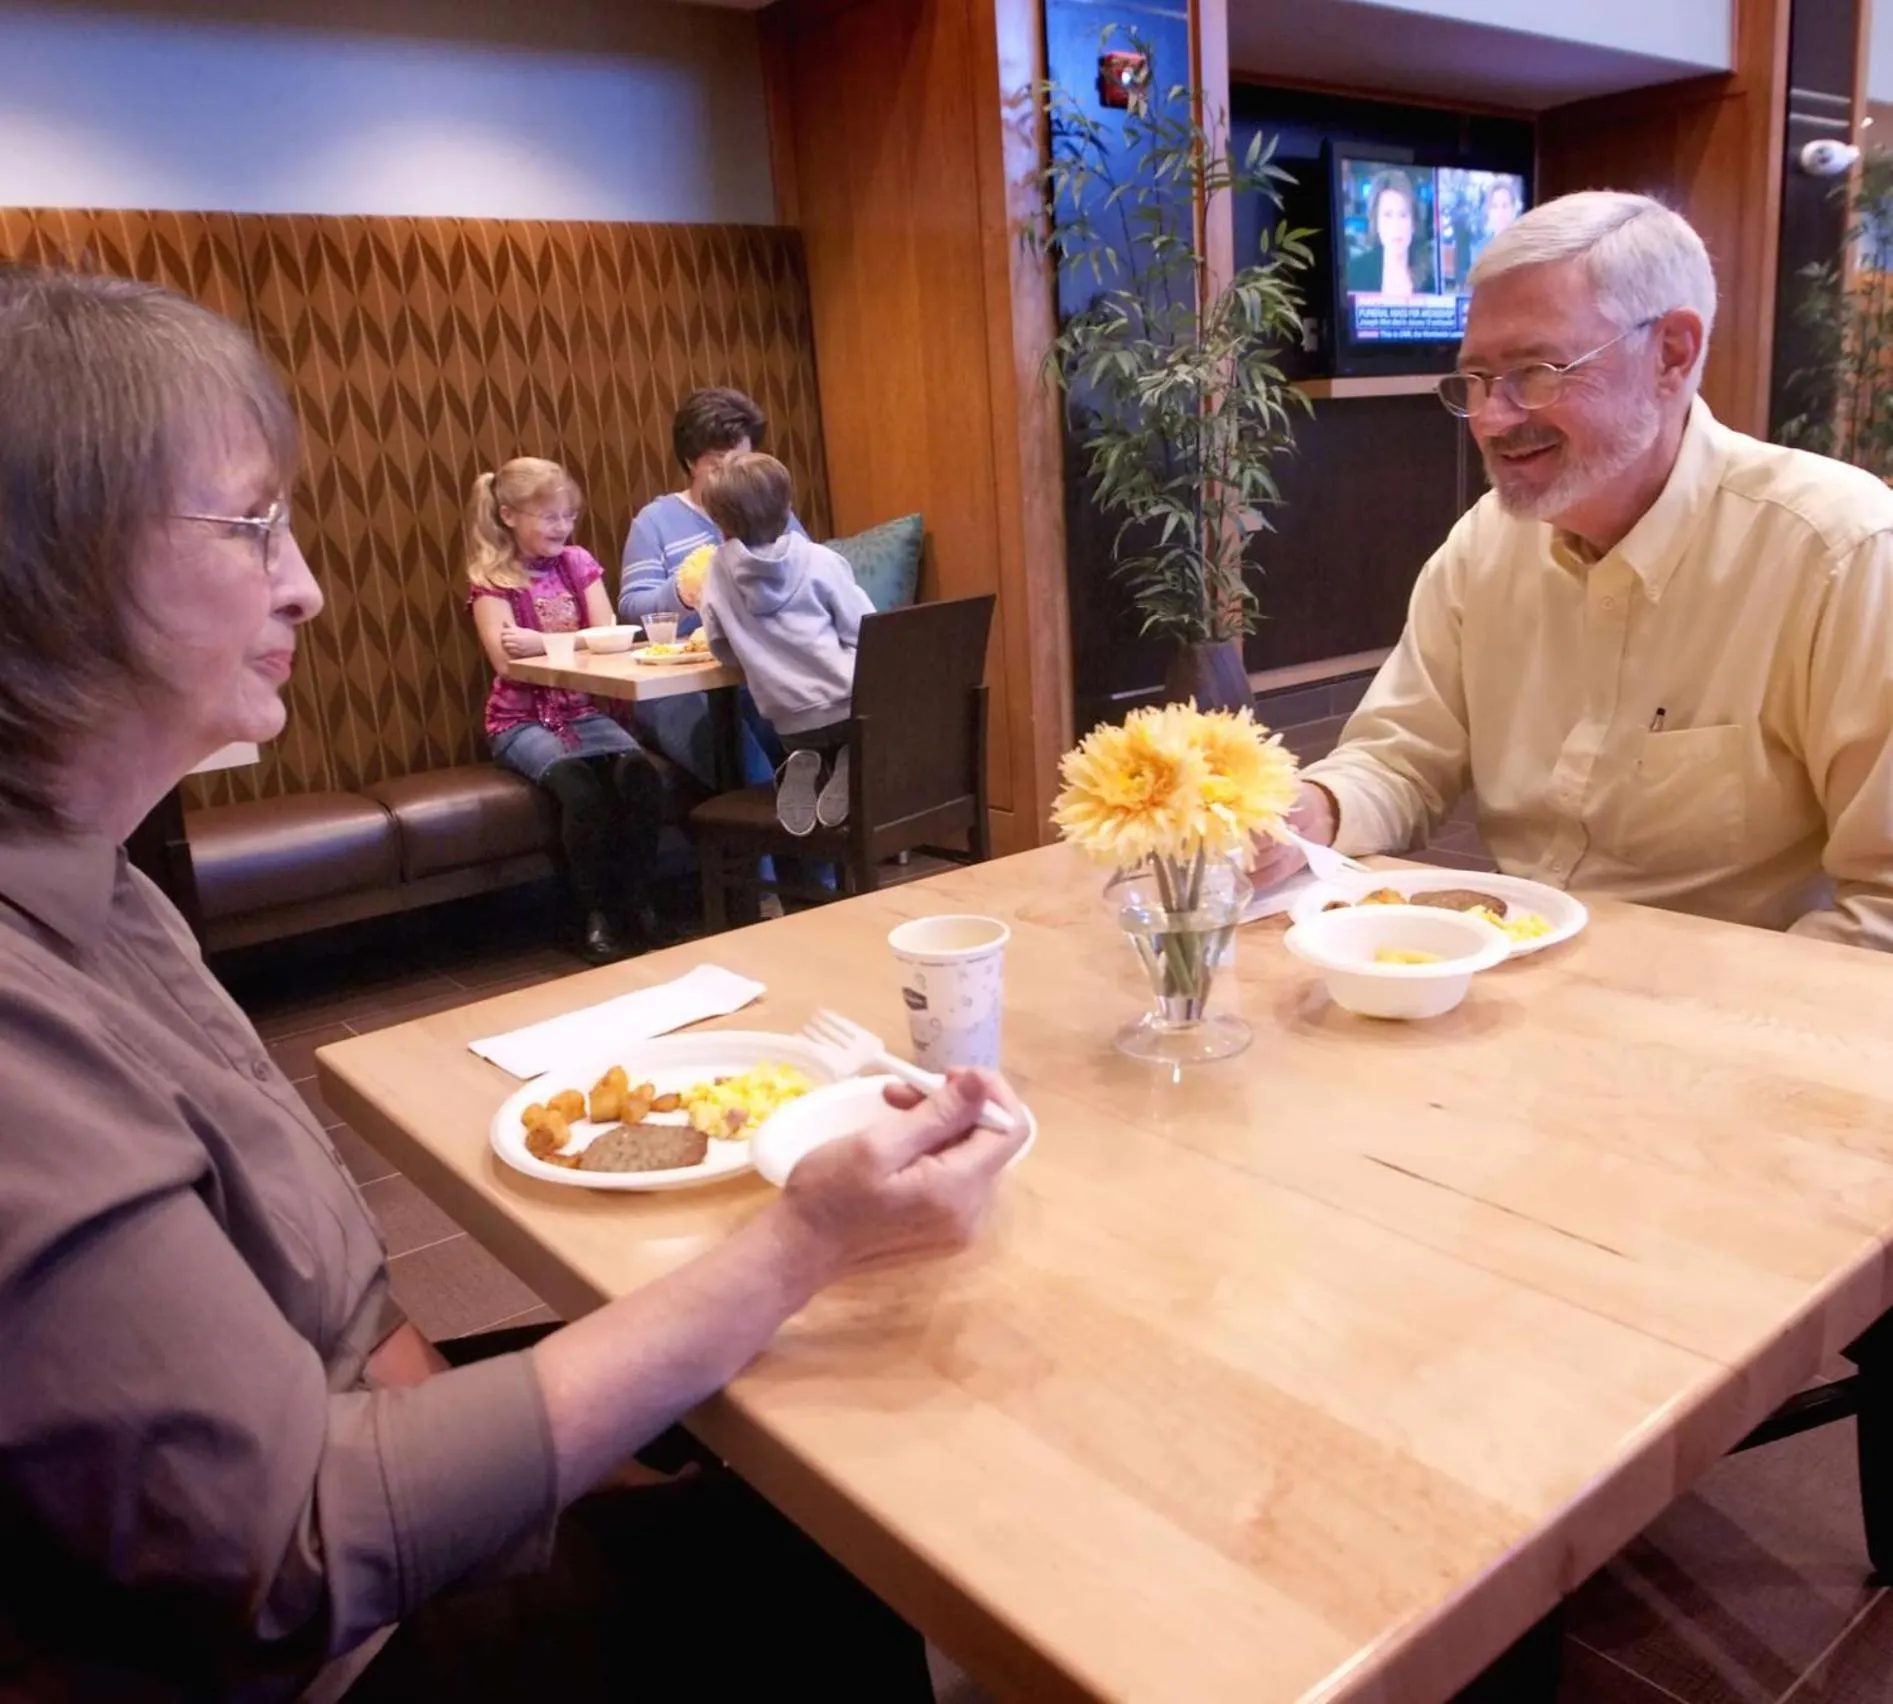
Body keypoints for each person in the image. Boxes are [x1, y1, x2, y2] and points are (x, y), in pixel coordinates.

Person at [0, 266, 1029, 1702]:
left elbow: (344, 1311)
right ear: (44, 564)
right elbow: (297, 1558)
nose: (306, 581)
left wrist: (553, 1477)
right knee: (861, 1552)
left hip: (384, 1519)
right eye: (253, 527)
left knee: (837, 1440)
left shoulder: (108, 891)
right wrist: (802, 1240)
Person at [1250, 191, 1893, 950]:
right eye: (1476, 380)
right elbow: (1401, 756)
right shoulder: (1485, 545)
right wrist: (1307, 813)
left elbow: (1880, 908)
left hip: (1721, 1022)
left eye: (1535, 371)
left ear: (1671, 355)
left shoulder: (1839, 554)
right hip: (1506, 983)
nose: (1491, 418)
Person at [466, 458, 664, 965]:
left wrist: (544, 641)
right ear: (508, 515)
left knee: (640, 775)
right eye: (548, 517)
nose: (562, 528)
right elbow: (505, 660)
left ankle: (639, 906)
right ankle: (593, 916)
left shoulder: (577, 563)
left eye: (568, 516)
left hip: (580, 710)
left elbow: (609, 636)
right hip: (520, 718)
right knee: (579, 787)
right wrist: (558, 644)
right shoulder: (493, 578)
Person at [617, 387, 804, 789]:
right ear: (689, 462)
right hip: (677, 689)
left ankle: (821, 853)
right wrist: (684, 591)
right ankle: (760, 849)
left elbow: (806, 573)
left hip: (754, 671)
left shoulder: (769, 511)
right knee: (749, 771)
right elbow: (632, 610)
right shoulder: (655, 521)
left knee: (803, 756)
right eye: (718, 464)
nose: (731, 476)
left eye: (742, 461)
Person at [699, 452, 874, 834]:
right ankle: (850, 762)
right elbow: (866, 630)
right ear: (787, 506)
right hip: (847, 707)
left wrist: (753, 660)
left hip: (788, 719)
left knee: (801, 743)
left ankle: (801, 762)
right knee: (869, 732)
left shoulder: (717, 571)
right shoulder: (820, 560)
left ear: (720, 522)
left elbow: (719, 644)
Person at [1344, 170, 1435, 298]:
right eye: (1388, 215)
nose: (1396, 225)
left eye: (1403, 215)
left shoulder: (1429, 283)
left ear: (1413, 223)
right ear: (1376, 223)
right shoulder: (1354, 274)